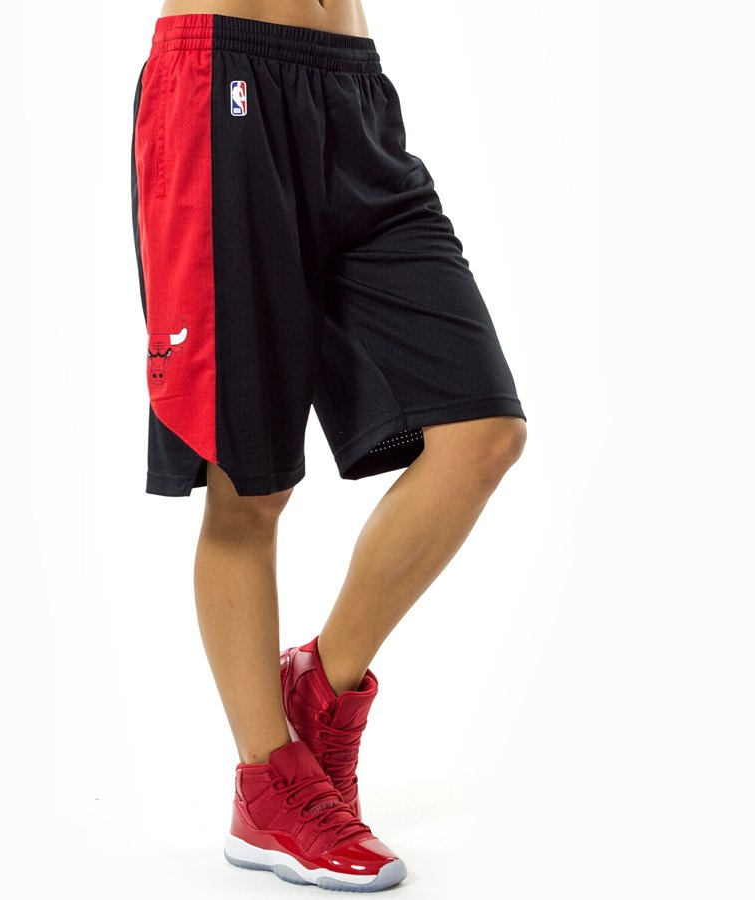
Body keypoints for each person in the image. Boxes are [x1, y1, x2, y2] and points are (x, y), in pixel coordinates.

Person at [131, 0, 528, 891]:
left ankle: (318, 689)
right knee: (250, 483)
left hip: (353, 91)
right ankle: (266, 782)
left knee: (483, 435)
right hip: (222, 82)